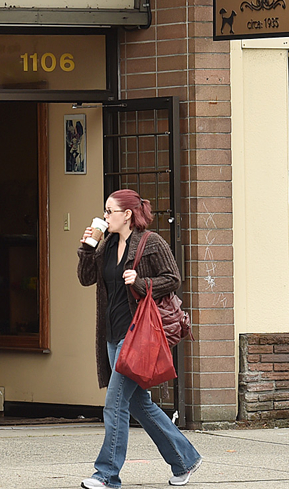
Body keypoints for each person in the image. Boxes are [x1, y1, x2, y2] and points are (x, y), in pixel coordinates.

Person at [77, 189, 202, 488]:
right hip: (112, 335)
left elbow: (173, 278)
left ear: (127, 215)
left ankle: (107, 475)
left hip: (138, 337)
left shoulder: (151, 242)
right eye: (105, 211)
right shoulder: (107, 246)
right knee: (138, 404)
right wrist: (87, 247)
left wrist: (142, 282)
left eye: (110, 211)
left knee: (114, 405)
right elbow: (86, 278)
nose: (105, 216)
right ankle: (185, 459)